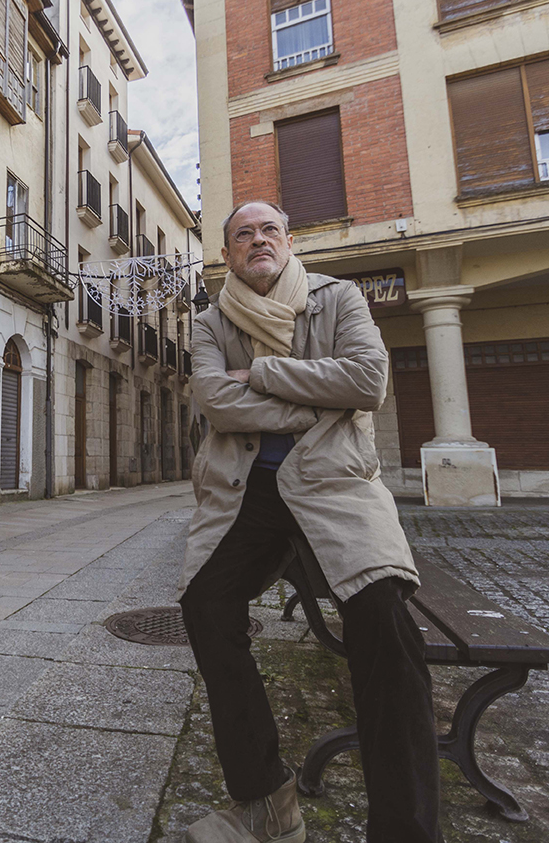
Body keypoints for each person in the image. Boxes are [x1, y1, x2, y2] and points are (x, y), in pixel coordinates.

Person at [180, 201, 441, 843]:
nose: (258, 240)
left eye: (270, 229)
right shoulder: (210, 322)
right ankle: (266, 802)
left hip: (334, 485)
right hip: (248, 492)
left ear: (290, 240)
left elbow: (368, 379)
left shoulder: (338, 298)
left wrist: (264, 374)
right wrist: (313, 407)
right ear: (227, 253)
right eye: (243, 234)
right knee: (206, 607)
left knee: (384, 620)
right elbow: (214, 399)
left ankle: (404, 830)